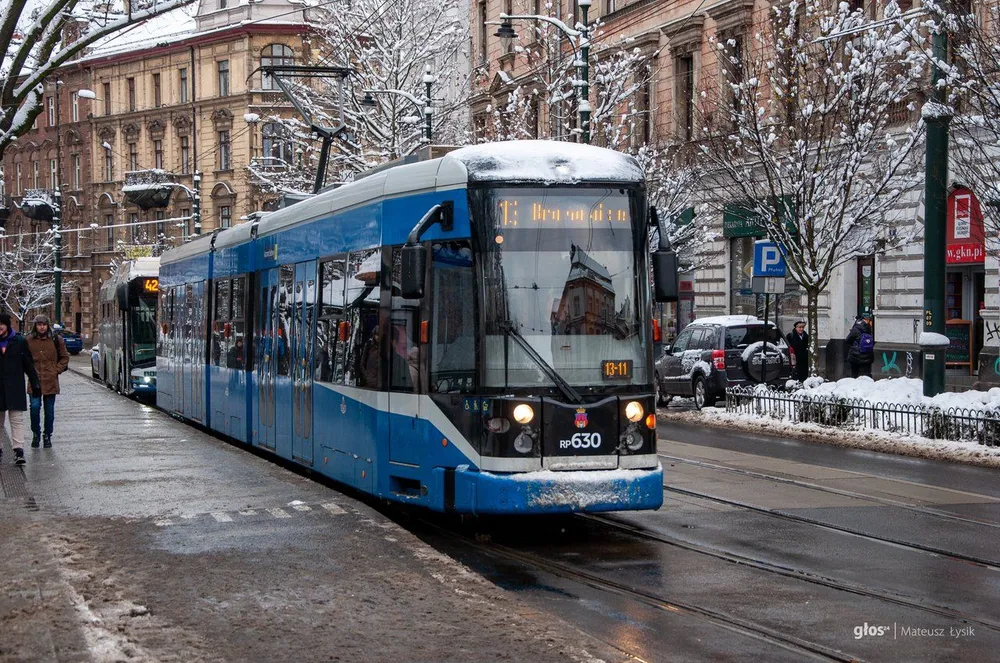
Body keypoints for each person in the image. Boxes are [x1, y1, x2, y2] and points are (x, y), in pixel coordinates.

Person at [0, 312, 41, 465]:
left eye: (1, 324)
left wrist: (35, 383)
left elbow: (28, 364)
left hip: (15, 386)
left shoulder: (19, 341)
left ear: (7, 325)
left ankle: (18, 450)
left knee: (16, 419)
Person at [846, 314, 875, 378]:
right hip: (868, 355)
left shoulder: (855, 329)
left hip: (856, 355)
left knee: (854, 374)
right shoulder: (869, 328)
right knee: (866, 375)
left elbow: (848, 340)